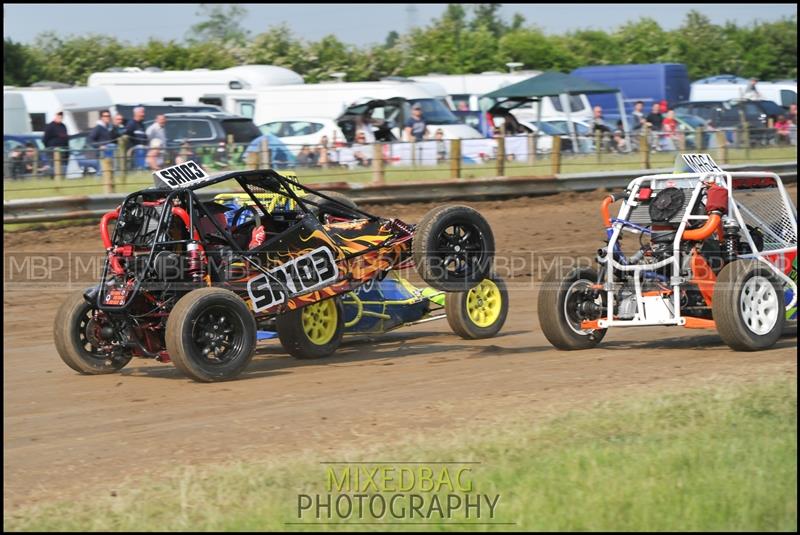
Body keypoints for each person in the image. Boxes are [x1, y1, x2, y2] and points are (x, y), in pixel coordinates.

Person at [43, 111, 69, 177]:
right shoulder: (50, 126)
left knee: (62, 166)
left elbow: (66, 138)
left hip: (62, 150)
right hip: (52, 151)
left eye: (61, 117)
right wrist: (49, 148)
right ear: (55, 116)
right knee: (53, 166)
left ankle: (61, 178)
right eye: (59, 116)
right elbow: (45, 139)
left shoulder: (63, 126)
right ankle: (53, 178)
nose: (60, 118)